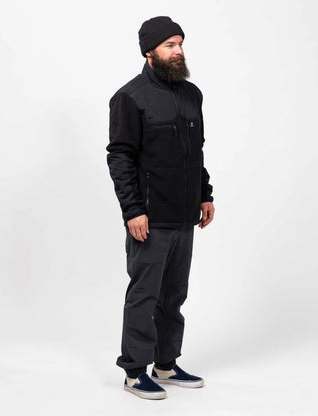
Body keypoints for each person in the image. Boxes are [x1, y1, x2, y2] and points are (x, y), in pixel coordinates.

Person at [106, 16, 215, 400]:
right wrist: (133, 211)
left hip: (184, 216)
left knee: (173, 296)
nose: (178, 51)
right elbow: (120, 157)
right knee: (144, 295)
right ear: (149, 51)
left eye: (180, 43)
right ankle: (134, 372)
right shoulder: (130, 97)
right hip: (149, 219)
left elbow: (195, 152)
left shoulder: (191, 95)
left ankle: (166, 364)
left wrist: (204, 194)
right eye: (170, 45)